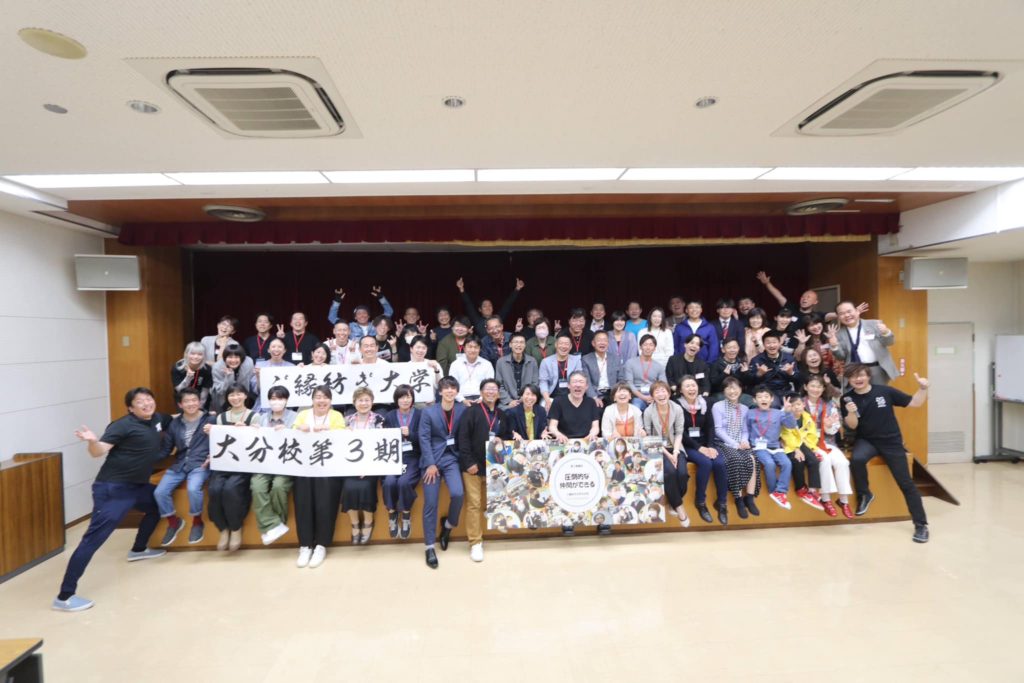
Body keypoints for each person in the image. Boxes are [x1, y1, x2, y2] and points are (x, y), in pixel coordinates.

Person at [54, 388, 169, 612]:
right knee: (92, 540)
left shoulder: (157, 419)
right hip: (113, 489)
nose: (146, 403)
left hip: (138, 486)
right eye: (140, 402)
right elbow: (98, 452)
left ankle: (138, 549)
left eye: (149, 399)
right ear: (130, 408)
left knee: (157, 506)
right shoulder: (122, 425)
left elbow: (174, 417)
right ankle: (64, 596)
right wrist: (92, 441)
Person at [841, 363, 931, 543]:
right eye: (853, 377)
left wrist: (923, 388)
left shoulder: (884, 391)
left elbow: (915, 403)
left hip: (891, 442)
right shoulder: (847, 398)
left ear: (868, 376)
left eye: (861, 375)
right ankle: (865, 494)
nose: (858, 379)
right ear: (849, 380)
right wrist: (851, 412)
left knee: (906, 483)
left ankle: (921, 525)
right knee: (856, 459)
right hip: (867, 440)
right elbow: (853, 425)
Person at [293, 385, 347, 568]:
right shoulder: (302, 415)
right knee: (303, 504)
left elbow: (342, 436)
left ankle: (321, 545)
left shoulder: (336, 416)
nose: (321, 400)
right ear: (312, 399)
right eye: (318, 397)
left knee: (325, 504)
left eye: (325, 397)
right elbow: (291, 434)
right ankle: (305, 545)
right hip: (304, 468)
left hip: (328, 469)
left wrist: (328, 428)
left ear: (330, 400)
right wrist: (299, 428)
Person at [457, 378, 511, 562]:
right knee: (474, 504)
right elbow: (462, 438)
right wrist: (469, 463)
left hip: (493, 468)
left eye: (494, 389)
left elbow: (506, 436)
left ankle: (492, 523)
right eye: (487, 389)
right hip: (472, 467)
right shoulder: (471, 412)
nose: (490, 392)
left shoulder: (502, 414)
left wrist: (501, 439)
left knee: (495, 501)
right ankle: (475, 543)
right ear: (481, 392)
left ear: (498, 394)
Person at [154, 388, 216, 546]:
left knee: (193, 489)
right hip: (180, 464)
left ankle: (197, 522)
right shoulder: (174, 424)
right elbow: (166, 449)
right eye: (186, 401)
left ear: (199, 402)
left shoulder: (211, 419)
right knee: (159, 492)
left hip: (201, 463)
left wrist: (213, 455)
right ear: (180, 405)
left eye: (194, 400)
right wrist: (146, 459)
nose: (191, 404)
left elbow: (224, 439)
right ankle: (173, 522)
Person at [418, 376, 467, 569]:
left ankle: (448, 526)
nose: (449, 391)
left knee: (458, 493)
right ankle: (429, 546)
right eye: (446, 388)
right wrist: (430, 463)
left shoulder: (462, 410)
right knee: (431, 503)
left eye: (453, 388)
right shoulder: (428, 412)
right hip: (432, 460)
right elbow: (423, 438)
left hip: (452, 458)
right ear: (440, 392)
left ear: (457, 391)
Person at [204, 383, 257, 552]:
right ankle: (223, 529)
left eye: (239, 394)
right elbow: (218, 442)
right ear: (227, 398)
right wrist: (211, 434)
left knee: (230, 489)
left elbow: (258, 443)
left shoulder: (254, 416)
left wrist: (249, 430)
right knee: (214, 489)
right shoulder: (221, 418)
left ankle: (235, 528)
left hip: (244, 465)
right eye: (232, 395)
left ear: (245, 395)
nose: (235, 398)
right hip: (224, 463)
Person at [547, 371, 601, 535]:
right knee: (566, 487)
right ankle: (567, 521)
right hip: (565, 447)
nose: (578, 385)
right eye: (574, 382)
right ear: (569, 385)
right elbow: (552, 426)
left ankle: (600, 520)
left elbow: (595, 427)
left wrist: (592, 433)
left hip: (586, 447)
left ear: (586, 386)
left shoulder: (591, 402)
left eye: (581, 382)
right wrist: (558, 434)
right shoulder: (559, 401)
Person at [677, 376, 729, 526]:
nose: (691, 389)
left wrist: (711, 446)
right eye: (687, 386)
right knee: (706, 463)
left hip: (706, 443)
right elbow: (680, 432)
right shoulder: (677, 405)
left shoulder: (706, 403)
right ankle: (700, 501)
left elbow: (710, 427)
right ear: (681, 390)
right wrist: (699, 448)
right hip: (688, 444)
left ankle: (722, 503)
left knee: (720, 463)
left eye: (693, 385)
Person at [251, 385, 298, 545]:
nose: (276, 401)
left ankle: (276, 524)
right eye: (273, 398)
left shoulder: (295, 417)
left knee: (279, 486)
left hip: (286, 464)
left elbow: (300, 438)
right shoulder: (261, 418)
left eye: (280, 398)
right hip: (264, 464)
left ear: (286, 400)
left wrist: (289, 431)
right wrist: (252, 430)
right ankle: (274, 525)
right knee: (257, 486)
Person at [803, 376, 853, 519]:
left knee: (843, 462)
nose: (816, 389)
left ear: (823, 389)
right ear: (806, 387)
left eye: (819, 386)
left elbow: (835, 427)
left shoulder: (830, 404)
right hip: (807, 443)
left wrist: (828, 426)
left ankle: (843, 500)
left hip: (827, 442)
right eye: (812, 386)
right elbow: (790, 425)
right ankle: (826, 499)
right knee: (824, 460)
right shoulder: (799, 403)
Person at [711, 377, 761, 519]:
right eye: (729, 388)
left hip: (740, 441)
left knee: (752, 458)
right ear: (724, 391)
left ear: (741, 389)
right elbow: (718, 430)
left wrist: (744, 441)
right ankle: (738, 499)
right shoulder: (717, 406)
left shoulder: (744, 408)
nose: (732, 391)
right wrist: (734, 444)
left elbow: (744, 430)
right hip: (722, 442)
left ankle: (749, 498)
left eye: (735, 388)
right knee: (735, 459)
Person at [342, 387, 385, 544]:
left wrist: (367, 467)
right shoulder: (346, 420)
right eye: (360, 400)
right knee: (348, 487)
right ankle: (354, 523)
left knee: (365, 486)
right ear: (354, 402)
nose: (364, 403)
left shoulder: (379, 419)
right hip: (350, 465)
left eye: (367, 400)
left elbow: (381, 444)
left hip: (371, 464)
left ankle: (368, 521)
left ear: (372, 402)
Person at [642, 381, 689, 527]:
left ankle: (673, 502)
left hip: (675, 447)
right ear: (652, 396)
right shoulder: (648, 412)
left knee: (682, 474)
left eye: (663, 391)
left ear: (669, 393)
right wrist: (668, 455)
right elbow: (650, 436)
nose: (661, 394)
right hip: (657, 448)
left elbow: (679, 432)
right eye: (657, 392)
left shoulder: (677, 408)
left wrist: (675, 452)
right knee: (669, 473)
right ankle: (680, 509)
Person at [747, 385, 797, 510]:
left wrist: (788, 412)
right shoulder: (750, 413)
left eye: (766, 396)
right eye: (759, 397)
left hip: (775, 446)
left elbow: (791, 426)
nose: (763, 399)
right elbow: (746, 430)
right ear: (754, 400)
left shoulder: (778, 413)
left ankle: (780, 492)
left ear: (772, 399)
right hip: (758, 447)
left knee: (787, 463)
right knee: (769, 464)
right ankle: (773, 491)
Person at [382, 385, 423, 539]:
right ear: (396, 399)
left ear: (412, 399)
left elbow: (425, 437)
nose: (405, 400)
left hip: (413, 456)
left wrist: (410, 434)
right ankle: (392, 513)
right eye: (402, 397)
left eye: (408, 397)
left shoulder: (420, 414)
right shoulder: (390, 416)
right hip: (394, 456)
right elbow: (385, 439)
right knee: (389, 482)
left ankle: (406, 514)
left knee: (404, 482)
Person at [832, 301, 898, 385]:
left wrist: (886, 333)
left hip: (876, 369)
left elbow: (889, 342)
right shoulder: (839, 334)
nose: (847, 315)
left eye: (849, 311)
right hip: (854, 371)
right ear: (838, 317)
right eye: (842, 313)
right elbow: (841, 357)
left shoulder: (874, 324)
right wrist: (834, 346)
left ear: (857, 311)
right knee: (856, 393)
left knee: (878, 392)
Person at [779, 392, 825, 511]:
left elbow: (812, 435)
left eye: (799, 404)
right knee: (798, 460)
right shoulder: (784, 417)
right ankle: (801, 489)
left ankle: (813, 490)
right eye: (793, 405)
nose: (797, 407)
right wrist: (796, 449)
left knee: (814, 460)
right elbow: (786, 436)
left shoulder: (807, 417)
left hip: (803, 444)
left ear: (803, 404)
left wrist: (812, 449)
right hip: (788, 445)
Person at [745, 330, 800, 404]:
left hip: (785, 390)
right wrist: (758, 374)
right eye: (768, 343)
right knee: (774, 404)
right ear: (764, 344)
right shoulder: (756, 360)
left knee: (796, 403)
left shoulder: (789, 358)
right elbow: (749, 382)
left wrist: (791, 373)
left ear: (779, 343)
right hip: (766, 392)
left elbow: (798, 380)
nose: (771, 345)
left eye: (774, 342)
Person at [456, 276, 525, 331]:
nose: (488, 307)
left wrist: (517, 288)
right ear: (480, 309)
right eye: (484, 306)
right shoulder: (477, 321)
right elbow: (468, 304)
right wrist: (461, 289)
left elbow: (507, 305)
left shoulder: (498, 318)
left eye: (490, 305)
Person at [327, 286, 393, 342]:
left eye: (364, 313)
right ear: (355, 317)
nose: (362, 315)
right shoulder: (349, 326)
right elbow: (332, 318)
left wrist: (381, 298)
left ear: (369, 316)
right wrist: (337, 301)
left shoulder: (375, 324)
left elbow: (389, 312)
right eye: (359, 313)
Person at [623, 335, 667, 411]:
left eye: (651, 345)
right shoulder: (630, 363)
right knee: (636, 407)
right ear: (640, 347)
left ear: (654, 348)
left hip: (654, 395)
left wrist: (655, 397)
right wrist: (643, 397)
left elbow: (664, 384)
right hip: (637, 395)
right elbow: (629, 383)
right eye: (645, 344)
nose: (648, 347)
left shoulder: (659, 366)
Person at [539, 334, 583, 410]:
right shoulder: (546, 362)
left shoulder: (576, 360)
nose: (564, 346)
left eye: (566, 344)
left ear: (570, 346)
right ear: (556, 345)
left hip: (571, 396)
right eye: (561, 343)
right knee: (544, 408)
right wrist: (547, 399)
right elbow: (543, 382)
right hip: (551, 396)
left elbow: (578, 380)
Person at [496, 333, 539, 409]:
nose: (519, 345)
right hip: (507, 403)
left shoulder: (532, 361)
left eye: (521, 342)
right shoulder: (501, 362)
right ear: (510, 344)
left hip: (528, 400)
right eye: (516, 342)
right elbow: (499, 385)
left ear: (525, 345)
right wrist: (509, 401)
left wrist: (525, 397)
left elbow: (535, 383)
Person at [250, 338, 294, 412]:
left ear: (284, 350)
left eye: (279, 347)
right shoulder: (260, 366)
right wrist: (258, 377)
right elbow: (257, 391)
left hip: (284, 406)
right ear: (268, 350)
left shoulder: (291, 367)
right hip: (263, 406)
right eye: (273, 347)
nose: (276, 349)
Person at [448, 336, 495, 404]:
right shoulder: (455, 364)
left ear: (480, 349)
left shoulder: (487, 364)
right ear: (464, 348)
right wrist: (462, 400)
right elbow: (452, 385)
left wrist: (482, 398)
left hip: (482, 399)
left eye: (476, 347)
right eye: (470, 347)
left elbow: (490, 385)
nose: (473, 350)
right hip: (460, 399)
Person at [581, 330, 622, 406]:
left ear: (608, 343)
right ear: (593, 343)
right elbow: (587, 381)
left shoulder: (615, 359)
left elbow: (621, 379)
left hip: (613, 394)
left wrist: (618, 394)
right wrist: (594, 397)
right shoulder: (586, 359)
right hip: (595, 394)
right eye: (599, 340)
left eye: (605, 340)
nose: (602, 343)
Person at [211, 344, 255, 412]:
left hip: (244, 397)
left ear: (241, 358)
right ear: (225, 358)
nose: (233, 360)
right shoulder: (217, 367)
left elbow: (249, 383)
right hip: (224, 399)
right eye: (230, 357)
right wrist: (228, 377)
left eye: (236, 357)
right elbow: (221, 390)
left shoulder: (248, 363)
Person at [709, 339, 753, 406]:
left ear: (738, 349)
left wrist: (745, 373)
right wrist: (724, 374)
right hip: (722, 394)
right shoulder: (716, 364)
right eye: (729, 347)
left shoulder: (742, 363)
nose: (732, 350)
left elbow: (748, 384)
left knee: (753, 402)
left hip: (738, 394)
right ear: (723, 350)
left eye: (735, 347)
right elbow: (713, 383)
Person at [170, 341, 212, 410]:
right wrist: (188, 378)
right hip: (182, 399)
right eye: (192, 354)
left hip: (201, 401)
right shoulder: (178, 367)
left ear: (204, 356)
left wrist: (199, 408)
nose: (196, 357)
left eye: (200, 354)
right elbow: (179, 390)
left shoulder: (207, 369)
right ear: (186, 354)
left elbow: (205, 392)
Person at [407, 336, 443, 406]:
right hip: (410, 405)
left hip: (429, 403)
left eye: (424, 348)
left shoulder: (433, 364)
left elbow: (441, 386)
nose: (421, 350)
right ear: (411, 349)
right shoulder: (406, 366)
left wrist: (436, 369)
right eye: (418, 347)